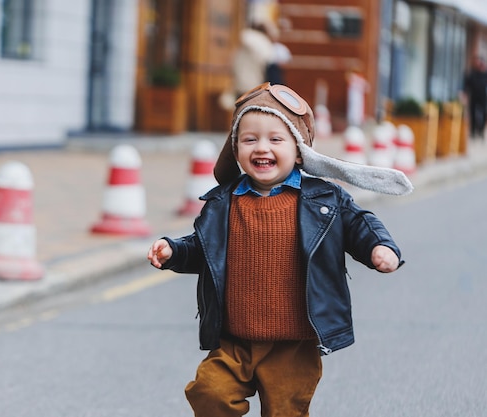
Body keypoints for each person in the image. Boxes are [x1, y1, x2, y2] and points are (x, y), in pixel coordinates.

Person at [147, 83, 413, 416]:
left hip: (294, 343)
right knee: (209, 392)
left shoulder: (323, 200)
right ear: (235, 148)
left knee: (285, 411)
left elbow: (359, 223)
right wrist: (174, 251)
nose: (262, 148)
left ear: (299, 151)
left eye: (276, 139)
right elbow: (203, 248)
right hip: (235, 340)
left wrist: (379, 247)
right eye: (249, 139)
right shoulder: (223, 203)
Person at [464, 55, 487, 139]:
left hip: (483, 97)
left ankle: (481, 131)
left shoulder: (485, 74)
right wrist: (465, 94)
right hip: (474, 97)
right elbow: (467, 85)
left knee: (484, 114)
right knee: (473, 114)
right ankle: (473, 131)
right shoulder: (473, 74)